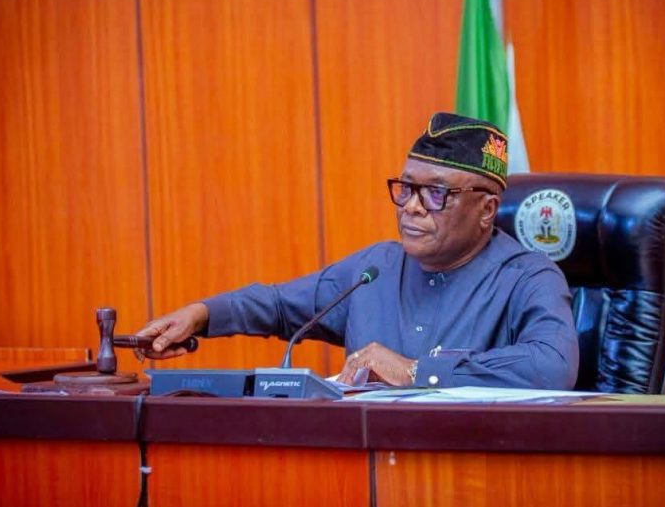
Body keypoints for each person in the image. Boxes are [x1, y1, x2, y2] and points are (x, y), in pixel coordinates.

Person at [135, 112, 579, 389]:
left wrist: (416, 371)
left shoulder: (527, 277)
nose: (412, 207)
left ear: (487, 210)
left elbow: (553, 365)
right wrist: (199, 315)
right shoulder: (374, 269)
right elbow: (278, 305)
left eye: (436, 193)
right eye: (406, 188)